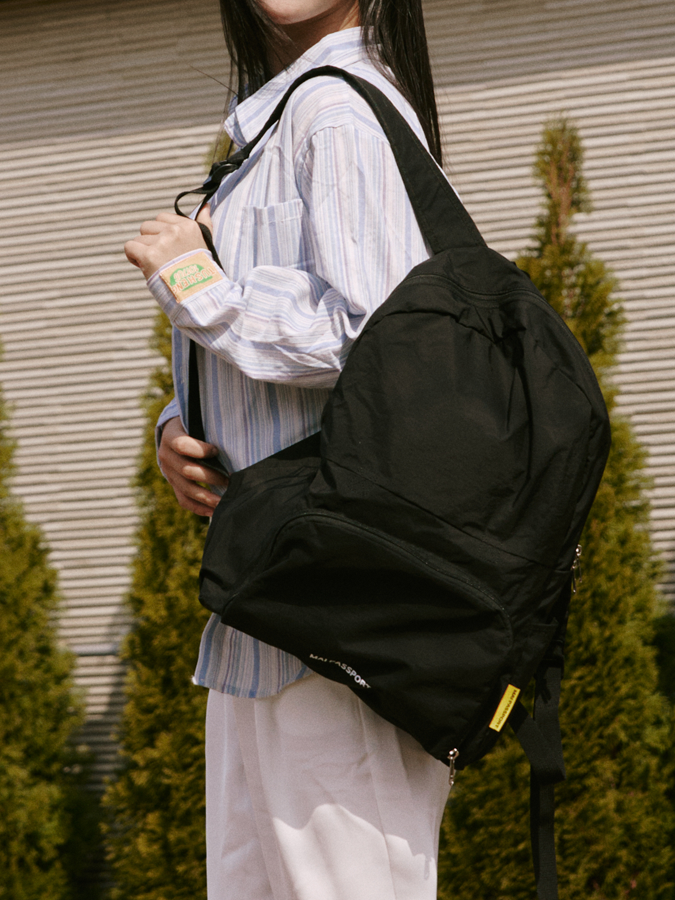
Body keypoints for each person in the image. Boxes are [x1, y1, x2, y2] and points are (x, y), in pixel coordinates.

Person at [124, 2, 451, 897]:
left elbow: (378, 336)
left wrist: (197, 284)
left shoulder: (337, 112)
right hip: (269, 616)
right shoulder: (275, 122)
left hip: (336, 620)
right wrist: (179, 428)